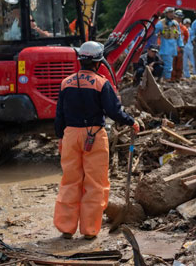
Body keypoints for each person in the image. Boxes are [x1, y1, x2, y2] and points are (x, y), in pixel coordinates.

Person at [54, 41, 139, 240]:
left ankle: (66, 228)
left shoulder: (66, 83)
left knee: (70, 181)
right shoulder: (102, 83)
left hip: (70, 135)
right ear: (99, 63)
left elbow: (59, 116)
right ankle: (90, 230)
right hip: (93, 135)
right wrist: (131, 121)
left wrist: (60, 137)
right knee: (95, 184)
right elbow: (114, 112)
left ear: (80, 60)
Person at [154, 7, 184, 81]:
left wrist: (181, 45)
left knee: (170, 65)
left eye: (172, 12)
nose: (171, 14)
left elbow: (178, 36)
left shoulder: (175, 24)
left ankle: (164, 79)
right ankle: (166, 79)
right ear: (166, 14)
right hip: (165, 48)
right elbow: (153, 32)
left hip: (173, 48)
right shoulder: (161, 23)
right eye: (169, 13)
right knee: (167, 66)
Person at [171, 10, 189, 81]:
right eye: (178, 18)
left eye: (180, 18)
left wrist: (182, 45)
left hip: (179, 48)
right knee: (172, 63)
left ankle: (178, 77)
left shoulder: (184, 28)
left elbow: (186, 37)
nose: (179, 19)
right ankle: (172, 78)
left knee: (179, 63)